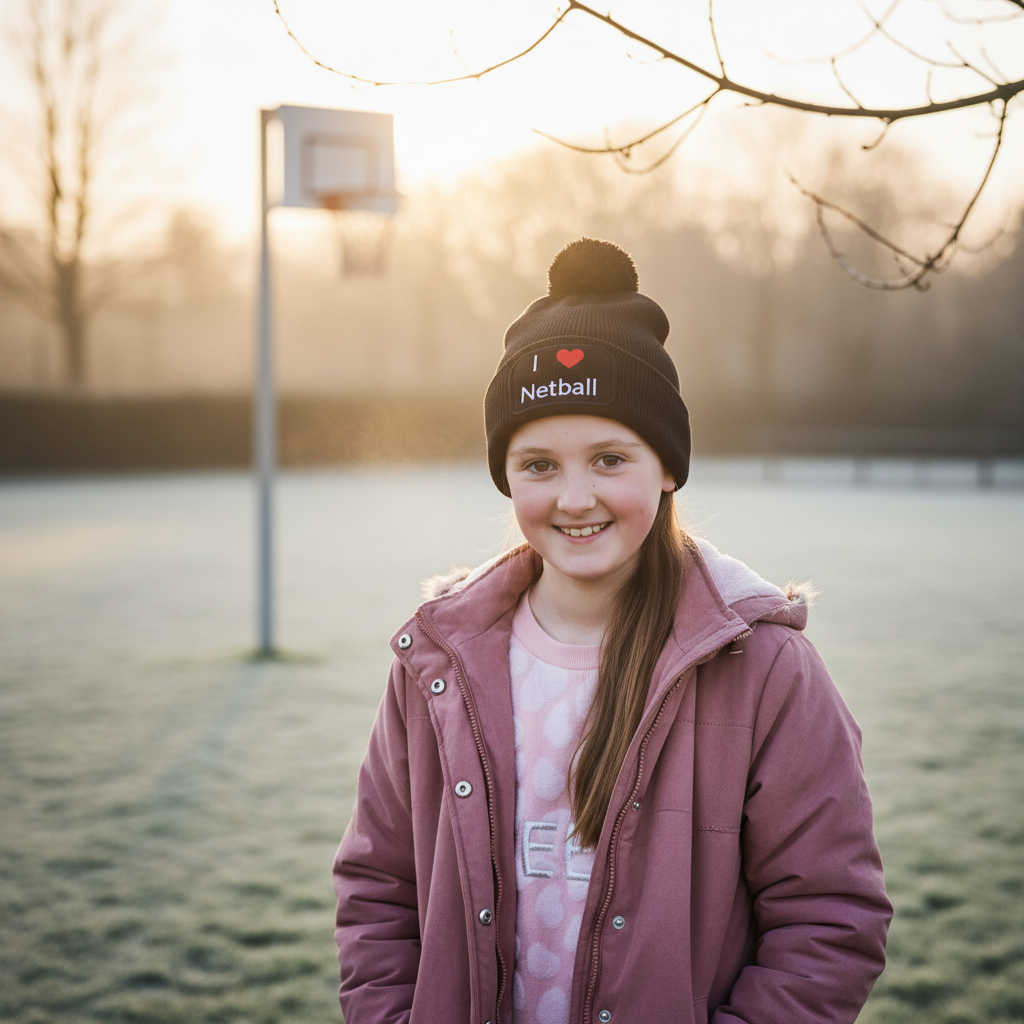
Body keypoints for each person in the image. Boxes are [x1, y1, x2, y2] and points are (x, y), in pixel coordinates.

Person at [333, 238, 892, 1024]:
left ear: (666, 466)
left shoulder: (764, 668)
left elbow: (830, 920)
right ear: (506, 476)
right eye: (538, 465)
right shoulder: (437, 664)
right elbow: (378, 887)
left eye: (608, 458)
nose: (573, 498)